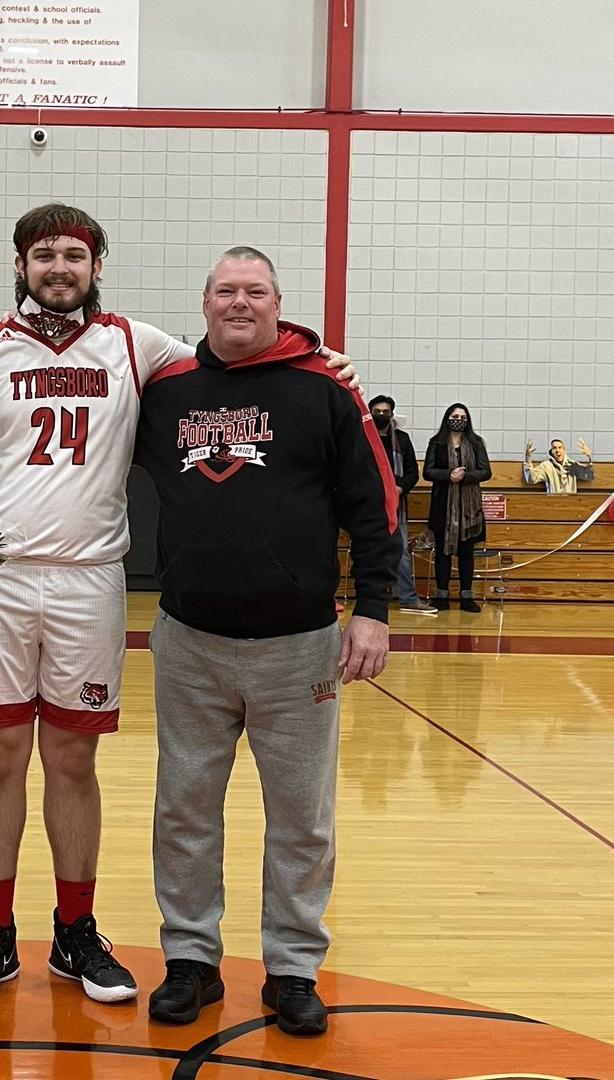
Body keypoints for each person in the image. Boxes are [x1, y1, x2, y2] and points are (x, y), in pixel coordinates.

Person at [0, 203, 361, 1011]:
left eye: (73, 254)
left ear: (97, 264)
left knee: (73, 760)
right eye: (43, 255)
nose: (58, 267)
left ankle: (75, 929)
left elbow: (238, 347)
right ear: (22, 265)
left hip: (90, 579)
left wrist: (316, 357)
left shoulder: (139, 343)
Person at [134, 247, 396, 1035]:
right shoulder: (165, 391)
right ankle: (191, 959)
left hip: (299, 644)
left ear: (279, 302)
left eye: (255, 291)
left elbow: (374, 501)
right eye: (226, 291)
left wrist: (374, 607)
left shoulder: (323, 387)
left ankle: (292, 968)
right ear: (204, 302)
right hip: (189, 640)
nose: (239, 302)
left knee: (301, 818)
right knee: (183, 809)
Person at [369, 395, 436, 616]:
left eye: (385, 411)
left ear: (391, 414)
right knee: (368, 550)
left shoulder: (403, 440)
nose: (381, 415)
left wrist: (399, 488)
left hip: (396, 504)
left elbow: (412, 472)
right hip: (368, 503)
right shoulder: (362, 438)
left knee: (401, 551)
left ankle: (407, 598)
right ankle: (370, 598)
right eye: (376, 411)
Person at [423, 403, 492, 613]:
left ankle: (467, 596)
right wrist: (449, 476)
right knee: (442, 552)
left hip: (470, 510)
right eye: (455, 416)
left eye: (463, 417)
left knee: (466, 552)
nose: (459, 419)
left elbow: (486, 471)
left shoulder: (476, 442)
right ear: (447, 418)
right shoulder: (436, 443)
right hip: (443, 506)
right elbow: (428, 472)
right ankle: (441, 595)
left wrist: (465, 478)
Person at [523, 437, 593, 494]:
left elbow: (588, 476)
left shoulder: (572, 465)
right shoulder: (546, 466)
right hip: (553, 504)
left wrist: (589, 457)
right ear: (551, 452)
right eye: (554, 448)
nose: (557, 450)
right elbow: (531, 479)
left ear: (564, 450)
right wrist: (528, 458)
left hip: (571, 504)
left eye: (560, 447)